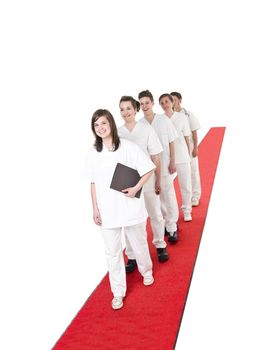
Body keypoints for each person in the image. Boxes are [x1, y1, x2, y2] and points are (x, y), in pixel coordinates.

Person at [84, 109, 155, 310]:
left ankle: (146, 272)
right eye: (96, 125)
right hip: (107, 211)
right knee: (112, 253)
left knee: (138, 243)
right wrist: (95, 209)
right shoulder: (93, 153)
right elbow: (92, 183)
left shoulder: (128, 147)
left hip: (130, 205)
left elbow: (148, 169)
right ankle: (118, 292)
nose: (100, 128)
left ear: (111, 124)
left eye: (103, 123)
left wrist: (135, 189)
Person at [118, 96, 169, 272]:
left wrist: (159, 180)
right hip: (126, 181)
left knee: (155, 213)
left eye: (128, 109)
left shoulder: (146, 129)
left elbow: (156, 157)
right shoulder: (118, 132)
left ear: (135, 109)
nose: (125, 112)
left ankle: (160, 244)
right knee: (129, 220)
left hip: (147, 178)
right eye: (122, 109)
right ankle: (131, 256)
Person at [138, 90, 179, 243]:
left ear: (152, 103)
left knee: (168, 194)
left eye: (147, 103)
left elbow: (171, 141)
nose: (144, 106)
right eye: (141, 104)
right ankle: (164, 226)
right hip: (148, 168)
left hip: (165, 162)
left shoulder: (163, 120)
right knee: (156, 197)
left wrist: (173, 160)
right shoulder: (140, 124)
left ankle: (172, 226)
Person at [159, 94, 192, 221]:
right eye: (161, 103)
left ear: (172, 102)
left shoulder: (182, 117)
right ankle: (169, 215)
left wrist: (189, 155)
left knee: (185, 185)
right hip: (167, 158)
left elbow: (186, 137)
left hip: (182, 156)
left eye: (166, 101)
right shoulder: (160, 119)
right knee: (167, 189)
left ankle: (187, 210)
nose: (164, 104)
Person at [170, 92, 202, 206]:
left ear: (179, 100)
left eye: (174, 100)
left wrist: (195, 148)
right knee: (184, 175)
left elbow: (194, 132)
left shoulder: (188, 114)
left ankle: (195, 196)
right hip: (177, 149)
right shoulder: (169, 116)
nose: (173, 102)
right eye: (171, 100)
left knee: (193, 171)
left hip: (190, 147)